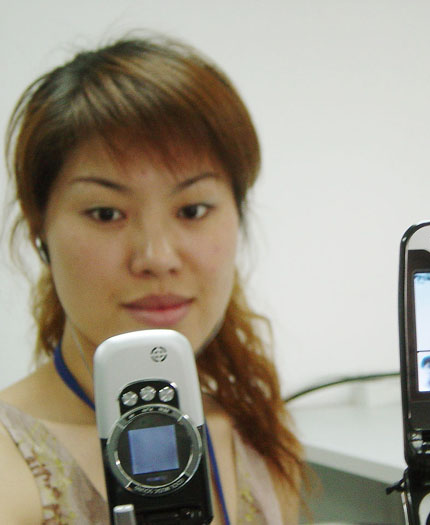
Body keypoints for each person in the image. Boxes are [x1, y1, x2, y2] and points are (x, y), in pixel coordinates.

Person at [0, 35, 302, 524]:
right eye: (106, 213)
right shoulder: (10, 471)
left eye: (193, 210)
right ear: (40, 233)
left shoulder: (257, 437)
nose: (157, 258)